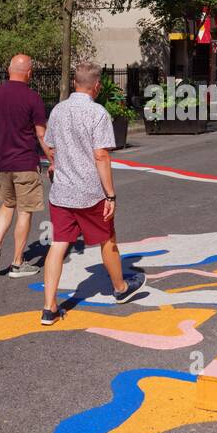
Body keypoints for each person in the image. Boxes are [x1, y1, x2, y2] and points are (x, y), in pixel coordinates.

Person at [40, 63, 146, 325]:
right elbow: (101, 155)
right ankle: (120, 288)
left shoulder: (58, 110)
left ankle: (49, 306)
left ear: (75, 83)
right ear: (96, 86)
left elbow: (50, 146)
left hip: (62, 192)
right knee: (107, 238)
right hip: (90, 192)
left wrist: (56, 164)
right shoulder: (97, 113)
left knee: (58, 244)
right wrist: (110, 194)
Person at [0, 54, 51, 278]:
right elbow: (41, 134)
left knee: (7, 204)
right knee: (25, 210)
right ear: (29, 73)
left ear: (8, 69)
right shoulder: (33, 98)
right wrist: (53, 159)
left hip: (2, 163)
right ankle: (18, 263)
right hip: (25, 163)